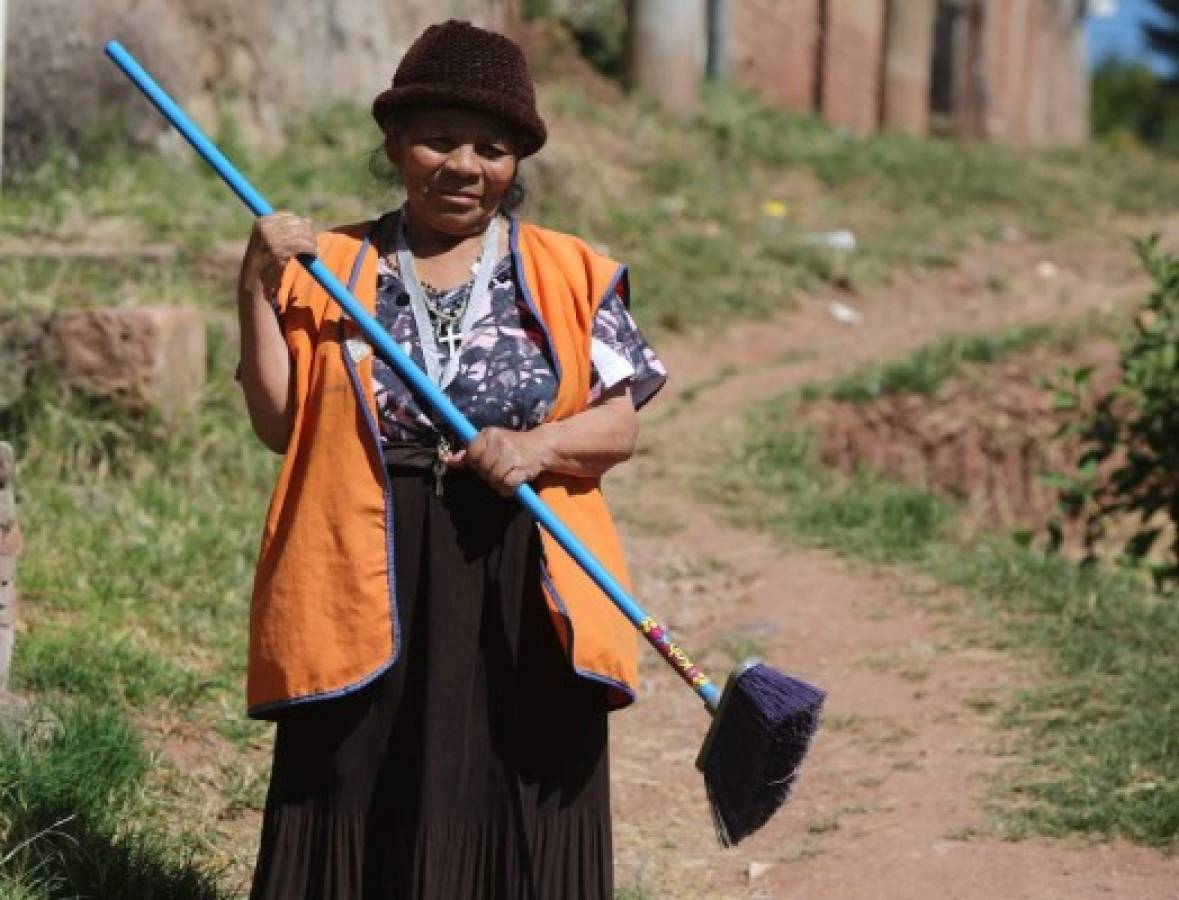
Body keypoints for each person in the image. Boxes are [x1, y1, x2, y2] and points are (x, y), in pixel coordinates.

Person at [235, 19, 666, 899]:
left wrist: (534, 444)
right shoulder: (330, 266)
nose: (463, 166)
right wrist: (251, 284)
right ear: (394, 145)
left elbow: (617, 424)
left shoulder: (571, 271)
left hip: (522, 558)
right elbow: (280, 426)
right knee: (360, 772)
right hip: (366, 551)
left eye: (492, 148)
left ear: (516, 163)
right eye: (437, 139)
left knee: (515, 765)